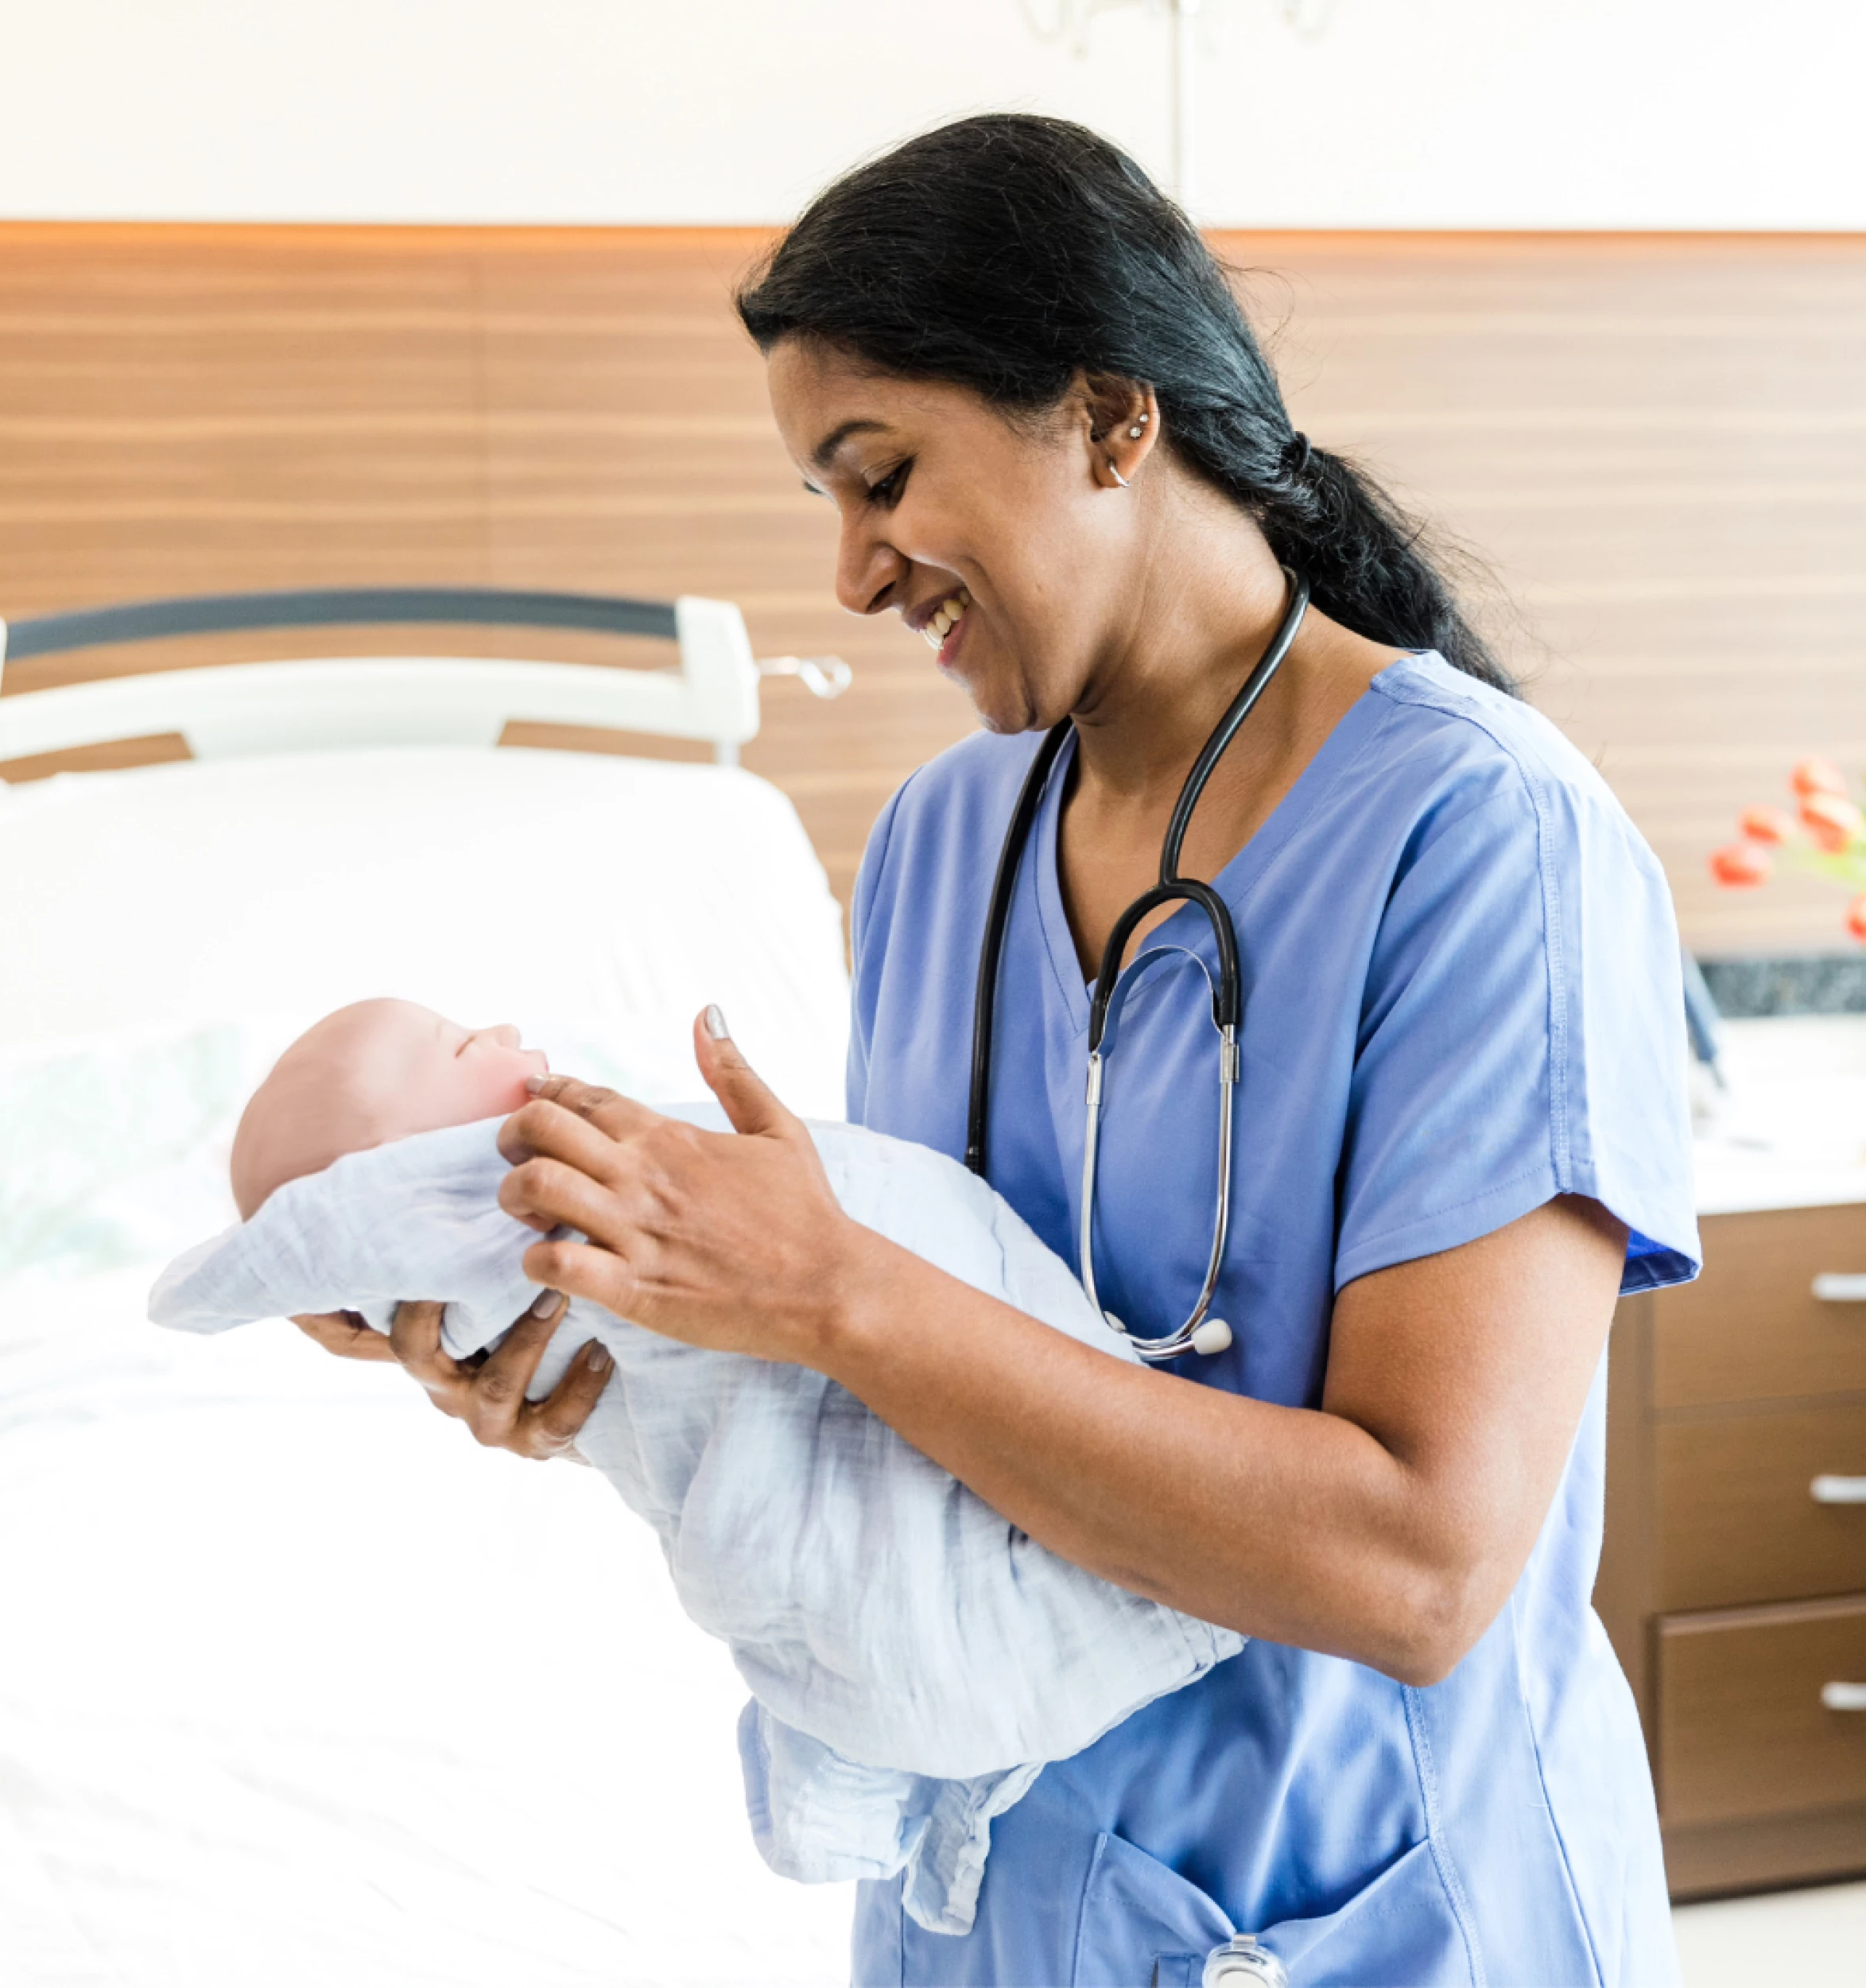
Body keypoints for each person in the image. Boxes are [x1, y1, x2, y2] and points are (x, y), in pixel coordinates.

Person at [293, 116, 1697, 1984]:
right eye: (828, 505)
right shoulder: (941, 843)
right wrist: (601, 1330)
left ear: (1112, 418)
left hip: (1368, 1908)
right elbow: (907, 1417)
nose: (857, 577)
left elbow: (1420, 1566)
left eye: (883, 478)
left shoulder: (1480, 837)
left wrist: (826, 1288)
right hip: (989, 1912)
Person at [162, 996, 1242, 1934]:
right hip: (1031, 1678)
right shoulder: (506, 1208)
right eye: (457, 1046)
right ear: (402, 1172)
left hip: (1244, 1671)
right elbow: (679, 1384)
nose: (500, 1028)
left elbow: (826, 1243)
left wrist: (828, 1282)